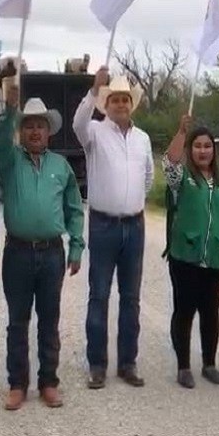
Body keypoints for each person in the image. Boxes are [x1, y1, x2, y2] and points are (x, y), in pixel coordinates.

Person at [0, 84, 85, 410]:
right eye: (28, 125)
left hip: (52, 253)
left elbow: (74, 209)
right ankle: (17, 384)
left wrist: (76, 247)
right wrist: (10, 110)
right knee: (17, 322)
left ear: (49, 132)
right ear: (21, 131)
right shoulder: (9, 161)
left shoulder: (61, 166)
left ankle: (48, 382)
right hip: (17, 252)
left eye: (40, 126)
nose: (34, 131)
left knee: (49, 320)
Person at [72, 66, 153, 389]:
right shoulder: (94, 132)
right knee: (100, 294)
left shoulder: (143, 139)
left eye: (125, 99)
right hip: (103, 224)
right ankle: (97, 364)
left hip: (134, 225)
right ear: (106, 105)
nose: (120, 104)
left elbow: (148, 177)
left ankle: (128, 363)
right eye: (115, 99)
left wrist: (131, 201)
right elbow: (77, 123)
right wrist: (94, 89)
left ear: (131, 104)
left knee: (131, 297)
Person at [163, 115, 219, 389]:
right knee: (184, 311)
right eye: (197, 146)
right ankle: (184, 367)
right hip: (186, 256)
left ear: (214, 150)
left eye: (207, 146)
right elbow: (169, 163)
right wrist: (182, 132)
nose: (203, 151)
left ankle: (209, 364)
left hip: (216, 256)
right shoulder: (182, 178)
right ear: (190, 149)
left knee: (211, 312)